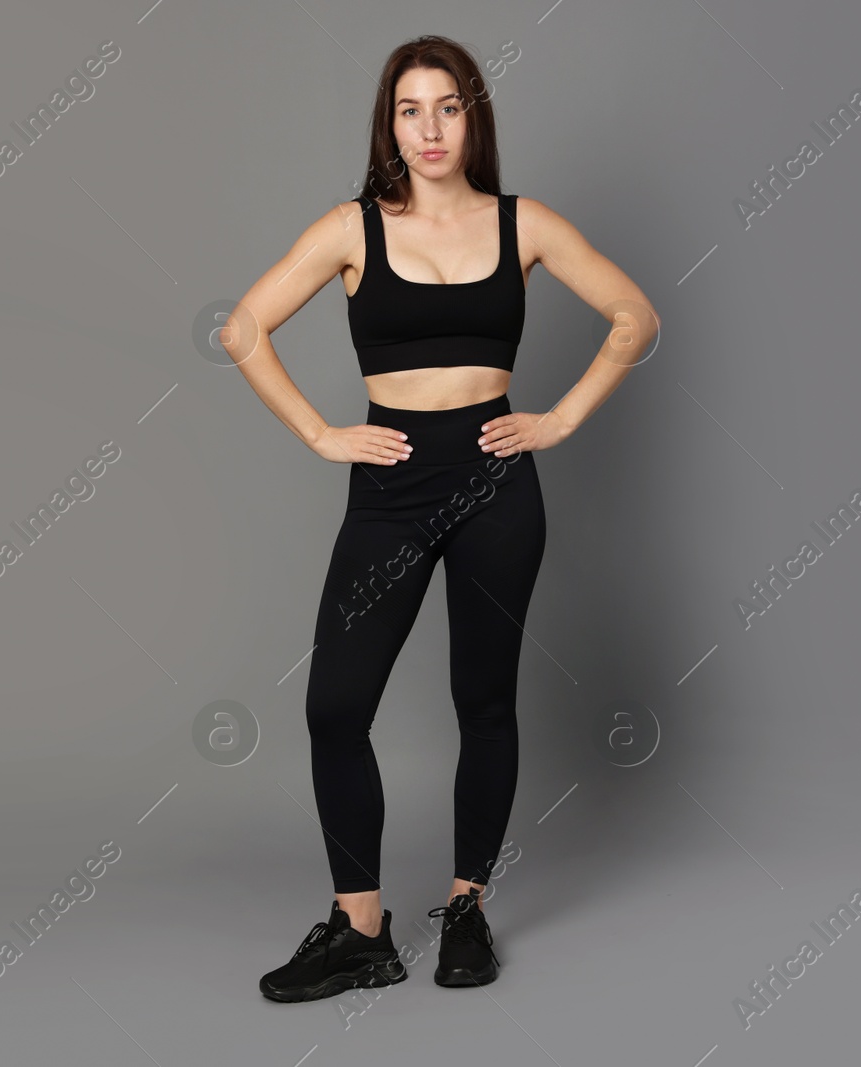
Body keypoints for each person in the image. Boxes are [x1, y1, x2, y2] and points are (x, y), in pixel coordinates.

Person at [221, 34, 658, 1003]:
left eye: (448, 106)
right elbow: (242, 327)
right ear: (389, 122)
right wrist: (321, 434)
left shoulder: (523, 222)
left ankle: (466, 907)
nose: (428, 127)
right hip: (391, 482)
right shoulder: (351, 228)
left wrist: (558, 417)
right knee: (334, 705)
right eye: (410, 109)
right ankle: (359, 929)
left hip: (497, 481)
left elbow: (635, 315)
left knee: (485, 700)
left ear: (473, 117)